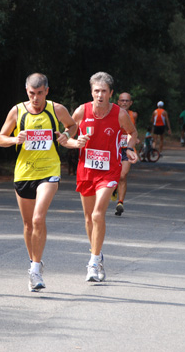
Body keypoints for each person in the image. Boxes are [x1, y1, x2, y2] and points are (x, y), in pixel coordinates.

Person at [0, 73, 77, 292]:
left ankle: (34, 270)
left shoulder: (56, 109)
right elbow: (0, 138)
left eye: (40, 93)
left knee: (38, 218)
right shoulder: (17, 111)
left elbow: (72, 126)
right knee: (27, 224)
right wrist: (15, 139)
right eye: (32, 93)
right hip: (24, 173)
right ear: (27, 91)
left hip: (49, 171)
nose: (36, 98)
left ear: (46, 92)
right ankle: (35, 262)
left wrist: (65, 135)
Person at [66, 72, 138, 282]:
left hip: (109, 170)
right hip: (86, 169)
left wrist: (127, 148)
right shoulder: (81, 111)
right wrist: (75, 143)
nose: (99, 95)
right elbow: (65, 136)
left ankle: (94, 261)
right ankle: (96, 253)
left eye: (104, 91)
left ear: (111, 93)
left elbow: (132, 133)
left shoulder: (119, 114)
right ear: (91, 92)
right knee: (89, 218)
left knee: (98, 214)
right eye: (96, 91)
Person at [115, 92, 139, 217]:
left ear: (130, 103)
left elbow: (133, 131)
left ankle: (120, 202)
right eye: (122, 100)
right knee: (113, 176)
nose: (124, 103)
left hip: (127, 149)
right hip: (113, 148)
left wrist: (134, 139)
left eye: (127, 101)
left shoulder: (133, 115)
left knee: (123, 175)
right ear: (118, 102)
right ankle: (113, 188)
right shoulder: (112, 113)